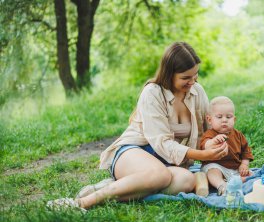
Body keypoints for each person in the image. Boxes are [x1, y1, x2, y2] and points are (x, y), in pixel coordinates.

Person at [47, 42, 229, 211]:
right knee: (161, 176)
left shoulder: (196, 91)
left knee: (187, 180)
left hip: (166, 161)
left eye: (195, 75)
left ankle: (115, 187)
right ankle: (82, 203)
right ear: (169, 73)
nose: (192, 82)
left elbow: (207, 132)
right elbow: (162, 144)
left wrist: (212, 146)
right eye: (185, 77)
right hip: (134, 151)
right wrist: (202, 154)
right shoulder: (153, 93)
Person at [200, 96, 254, 196]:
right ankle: (221, 185)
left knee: (250, 174)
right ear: (209, 119)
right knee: (212, 171)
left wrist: (244, 165)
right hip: (216, 166)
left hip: (234, 169)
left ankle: (235, 183)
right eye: (219, 117)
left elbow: (246, 152)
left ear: (234, 119)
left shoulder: (238, 135)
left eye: (228, 117)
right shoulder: (210, 134)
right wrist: (213, 141)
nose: (224, 120)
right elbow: (205, 146)